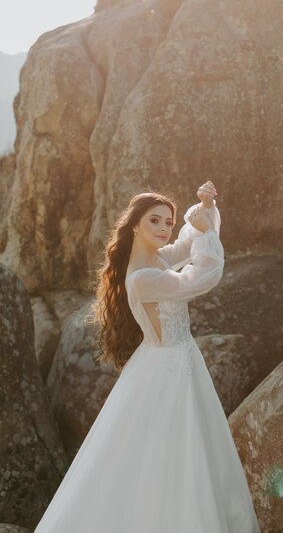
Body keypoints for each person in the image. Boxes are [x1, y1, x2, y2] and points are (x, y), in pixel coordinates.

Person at [33, 180, 261, 533]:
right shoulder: (142, 278)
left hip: (174, 361)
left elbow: (188, 243)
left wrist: (203, 209)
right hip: (167, 370)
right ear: (135, 224)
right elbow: (200, 277)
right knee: (169, 454)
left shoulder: (154, 260)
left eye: (168, 222)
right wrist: (204, 234)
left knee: (182, 454)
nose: (165, 228)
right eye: (155, 220)